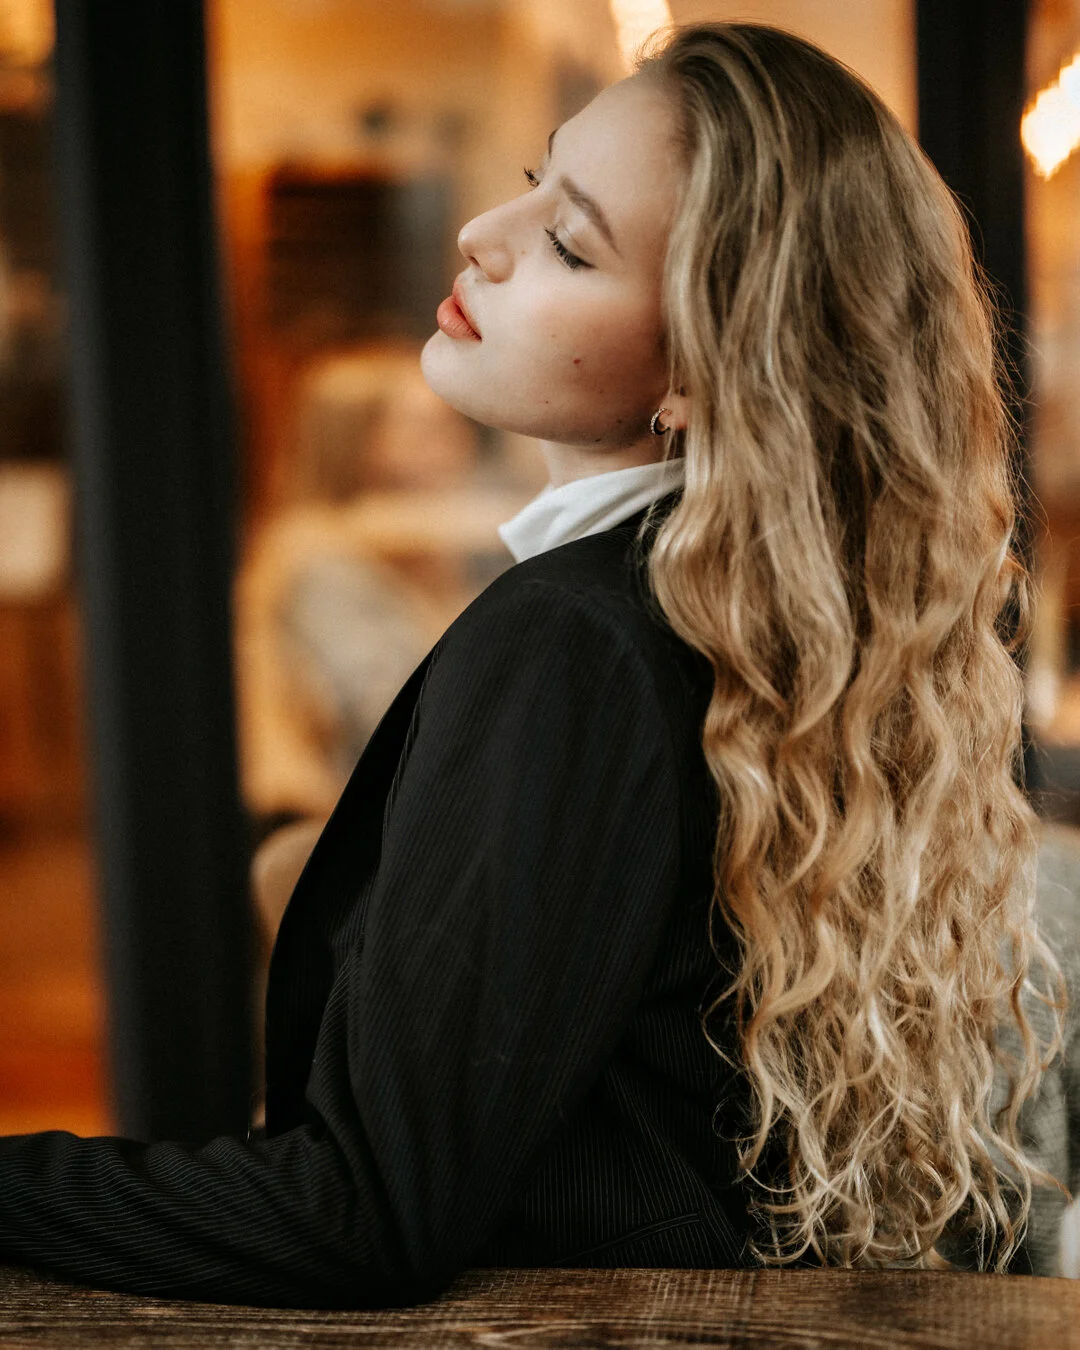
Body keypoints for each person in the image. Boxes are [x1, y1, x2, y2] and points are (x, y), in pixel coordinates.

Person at [0, 22, 1069, 1306]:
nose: (482, 242)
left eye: (571, 243)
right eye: (531, 185)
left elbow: (364, 1209)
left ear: (698, 369)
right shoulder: (715, 621)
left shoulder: (576, 645)